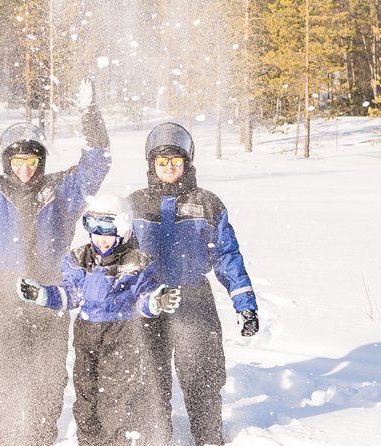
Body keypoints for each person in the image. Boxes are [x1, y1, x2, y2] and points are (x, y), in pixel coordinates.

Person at [0, 74, 111, 446]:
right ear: (6, 161)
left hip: (51, 287)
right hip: (3, 289)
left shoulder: (60, 190)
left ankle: (40, 437)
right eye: (18, 161)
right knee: (2, 372)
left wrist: (89, 115)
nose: (26, 169)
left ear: (42, 159)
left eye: (32, 160)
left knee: (49, 374)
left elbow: (97, 164)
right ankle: (1, 438)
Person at [127, 122, 260, 446]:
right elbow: (113, 254)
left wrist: (245, 304)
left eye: (176, 161)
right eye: (162, 162)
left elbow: (227, 256)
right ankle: (156, 437)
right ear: (151, 165)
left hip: (193, 296)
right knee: (148, 377)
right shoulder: (134, 203)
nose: (169, 167)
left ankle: (208, 436)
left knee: (202, 374)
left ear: (187, 162)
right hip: (147, 301)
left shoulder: (207, 203)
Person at [16, 193, 182, 446]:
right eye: (93, 229)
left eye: (107, 230)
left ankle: (119, 441)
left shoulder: (136, 263)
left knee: (117, 398)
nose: (100, 238)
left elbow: (142, 300)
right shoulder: (79, 259)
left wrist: (155, 302)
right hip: (86, 335)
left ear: (124, 229)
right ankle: (90, 442)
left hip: (122, 335)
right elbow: (69, 294)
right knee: (87, 397)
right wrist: (42, 295)